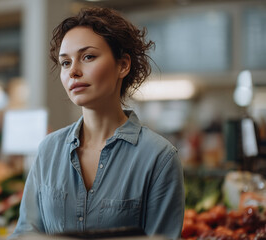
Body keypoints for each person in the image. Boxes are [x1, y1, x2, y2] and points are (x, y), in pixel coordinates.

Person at [10, 6, 184, 239]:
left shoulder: (158, 158)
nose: (73, 72)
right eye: (65, 63)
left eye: (88, 57)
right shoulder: (48, 150)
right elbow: (25, 233)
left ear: (123, 65)